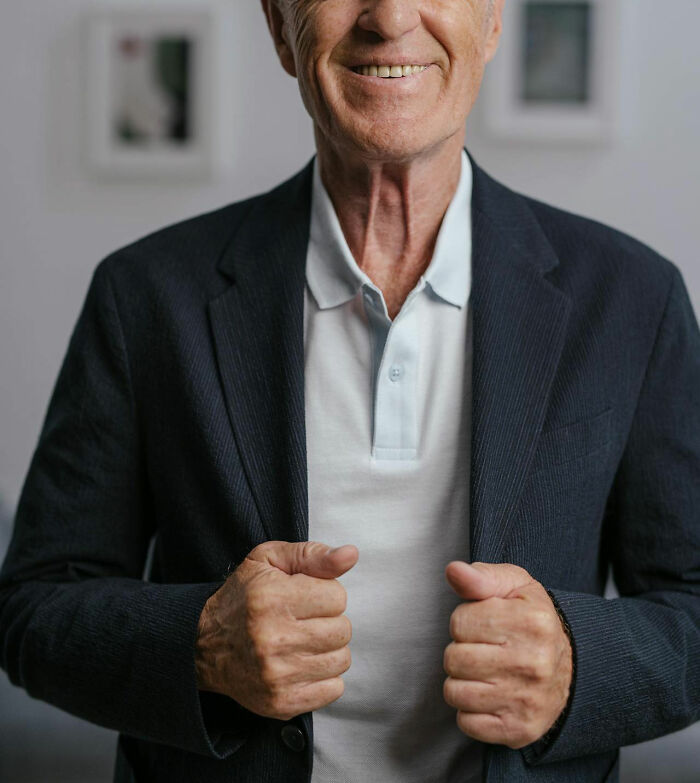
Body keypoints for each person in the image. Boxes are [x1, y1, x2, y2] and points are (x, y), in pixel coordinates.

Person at [1, 0, 699, 781]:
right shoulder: (144, 296)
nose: (391, 16)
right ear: (278, 26)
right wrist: (202, 644)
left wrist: (579, 664)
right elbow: (34, 606)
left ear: (494, 20)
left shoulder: (635, 298)